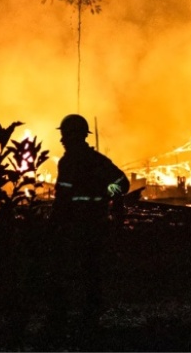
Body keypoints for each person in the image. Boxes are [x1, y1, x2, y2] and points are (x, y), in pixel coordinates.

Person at [46, 113, 129, 342]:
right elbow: (123, 182)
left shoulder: (69, 161)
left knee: (64, 270)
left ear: (70, 135)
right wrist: (110, 192)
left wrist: (53, 224)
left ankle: (64, 319)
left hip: (75, 227)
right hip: (97, 224)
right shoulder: (98, 160)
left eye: (64, 135)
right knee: (91, 270)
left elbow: (62, 198)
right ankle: (90, 316)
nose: (62, 139)